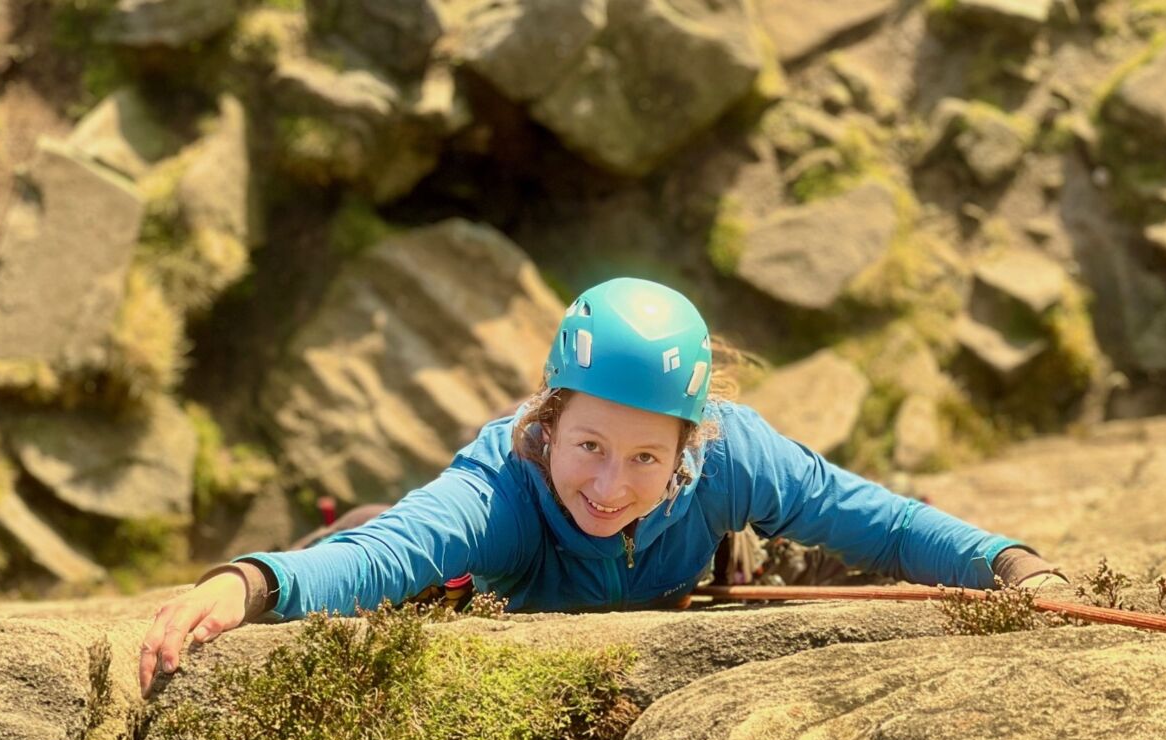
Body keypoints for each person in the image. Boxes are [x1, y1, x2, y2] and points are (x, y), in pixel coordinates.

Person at [139, 277, 1064, 697]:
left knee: (804, 534)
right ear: (546, 420)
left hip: (688, 560)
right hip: (479, 578)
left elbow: (885, 524)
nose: (610, 486)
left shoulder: (734, 455)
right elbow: (388, 556)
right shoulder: (506, 485)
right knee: (415, 561)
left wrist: (1013, 567)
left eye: (645, 459)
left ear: (688, 445)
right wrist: (252, 584)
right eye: (587, 444)